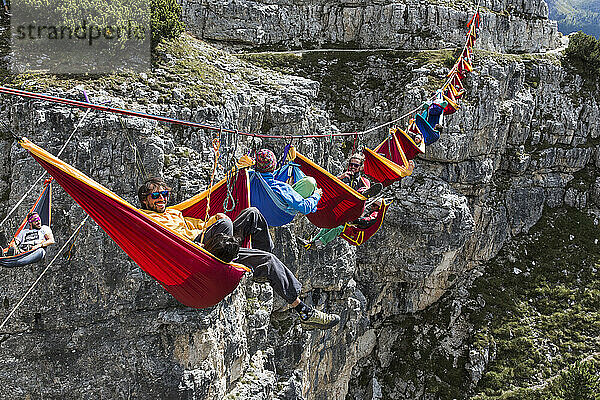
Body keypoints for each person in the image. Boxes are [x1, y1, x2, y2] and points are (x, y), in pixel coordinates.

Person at [138, 177, 340, 330]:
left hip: (217, 244)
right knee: (225, 222)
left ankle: (301, 309)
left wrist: (213, 220)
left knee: (253, 215)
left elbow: (200, 224)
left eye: (164, 194)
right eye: (155, 196)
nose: (162, 198)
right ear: (145, 201)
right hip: (196, 253)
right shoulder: (145, 219)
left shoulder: (174, 213)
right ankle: (250, 263)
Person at [254, 148, 323, 215]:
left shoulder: (248, 176)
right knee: (310, 182)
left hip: (258, 212)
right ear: (274, 166)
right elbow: (305, 208)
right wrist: (316, 195)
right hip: (277, 217)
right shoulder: (281, 188)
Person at [299, 198, 383, 249]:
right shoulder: (371, 213)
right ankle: (311, 243)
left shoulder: (375, 215)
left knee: (337, 229)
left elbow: (366, 222)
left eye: (374, 205)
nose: (372, 207)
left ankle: (318, 243)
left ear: (378, 208)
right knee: (331, 226)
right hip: (354, 231)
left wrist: (353, 219)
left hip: (357, 236)